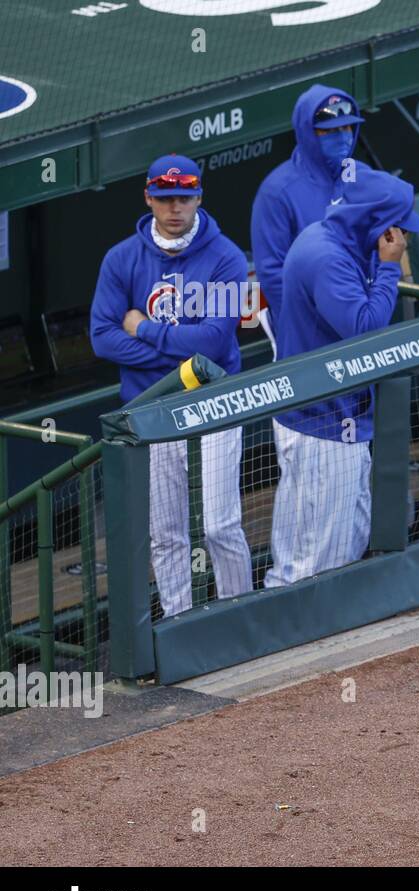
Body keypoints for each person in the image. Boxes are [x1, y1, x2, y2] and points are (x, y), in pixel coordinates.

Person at [89, 154, 252, 616]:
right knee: (166, 534)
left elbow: (215, 344)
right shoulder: (122, 258)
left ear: (199, 197)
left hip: (214, 405)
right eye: (164, 198)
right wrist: (181, 358)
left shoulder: (225, 258)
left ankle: (238, 617)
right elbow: (102, 338)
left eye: (183, 197)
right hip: (150, 411)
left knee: (220, 526)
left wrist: (142, 329)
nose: (174, 207)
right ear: (148, 197)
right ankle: (180, 622)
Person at [263, 169, 419, 588]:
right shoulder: (326, 256)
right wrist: (389, 269)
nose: (404, 237)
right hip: (324, 425)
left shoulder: (335, 237)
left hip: (325, 417)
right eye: (400, 227)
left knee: (320, 549)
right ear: (378, 221)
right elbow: (365, 331)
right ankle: (304, 649)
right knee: (319, 561)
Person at [250, 85, 370, 355]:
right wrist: (307, 327)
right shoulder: (278, 191)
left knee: (366, 397)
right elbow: (271, 272)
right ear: (308, 132)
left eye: (347, 128)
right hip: (307, 330)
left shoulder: (361, 177)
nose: (342, 137)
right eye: (328, 131)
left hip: (359, 320)